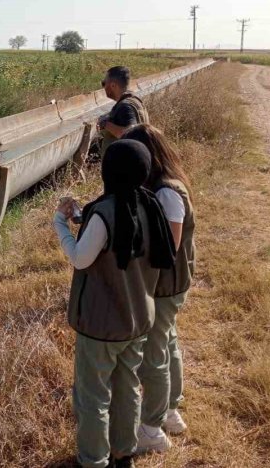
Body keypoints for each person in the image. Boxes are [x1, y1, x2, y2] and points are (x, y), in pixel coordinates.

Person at [53, 139, 175, 468]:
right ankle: (124, 454)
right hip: (137, 322)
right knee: (127, 390)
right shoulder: (151, 205)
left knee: (93, 397)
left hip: (100, 326)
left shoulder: (105, 212)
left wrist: (60, 224)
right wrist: (85, 216)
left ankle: (93, 460)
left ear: (108, 172)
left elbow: (80, 258)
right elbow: (123, 235)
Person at [123, 124, 195, 449]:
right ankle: (170, 411)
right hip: (172, 283)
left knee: (154, 354)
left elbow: (168, 249)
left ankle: (151, 429)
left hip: (166, 285)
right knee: (168, 342)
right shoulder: (164, 185)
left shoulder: (167, 192)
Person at [97, 66, 150, 158]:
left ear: (113, 85)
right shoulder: (135, 100)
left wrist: (105, 124)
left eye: (104, 83)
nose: (103, 87)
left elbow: (130, 133)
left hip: (124, 165)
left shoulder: (125, 106)